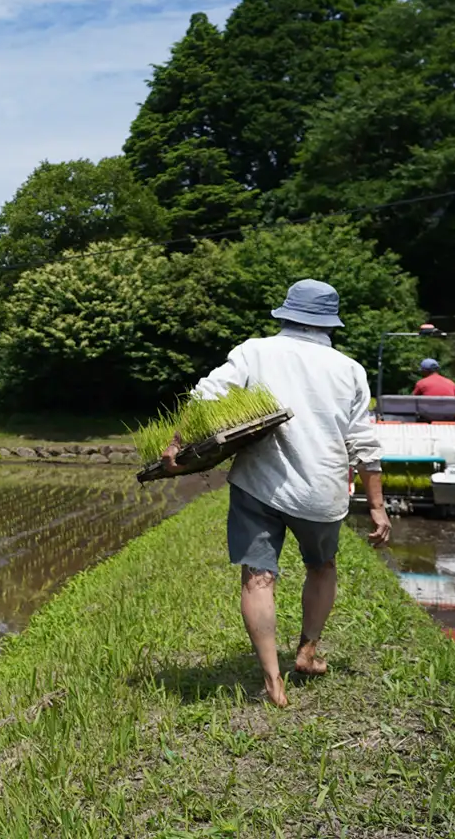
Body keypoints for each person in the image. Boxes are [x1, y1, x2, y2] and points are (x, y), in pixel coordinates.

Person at [164, 279, 388, 708]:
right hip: (321, 490)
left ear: (285, 314)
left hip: (258, 485)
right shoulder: (350, 369)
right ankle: (306, 652)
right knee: (322, 566)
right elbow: (364, 443)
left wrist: (175, 443)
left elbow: (207, 394)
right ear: (329, 323)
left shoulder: (255, 350)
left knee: (258, 577)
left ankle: (272, 682)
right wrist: (377, 507)